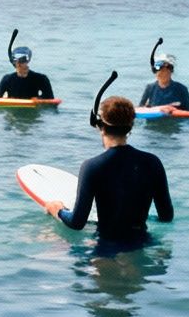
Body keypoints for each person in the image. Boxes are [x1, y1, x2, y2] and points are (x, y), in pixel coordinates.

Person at [40, 95, 171, 253]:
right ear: (131, 126)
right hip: (143, 244)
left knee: (44, 241)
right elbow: (166, 216)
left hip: (106, 249)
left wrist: (57, 210)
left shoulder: (92, 167)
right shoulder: (153, 162)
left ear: (100, 126)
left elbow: (77, 223)